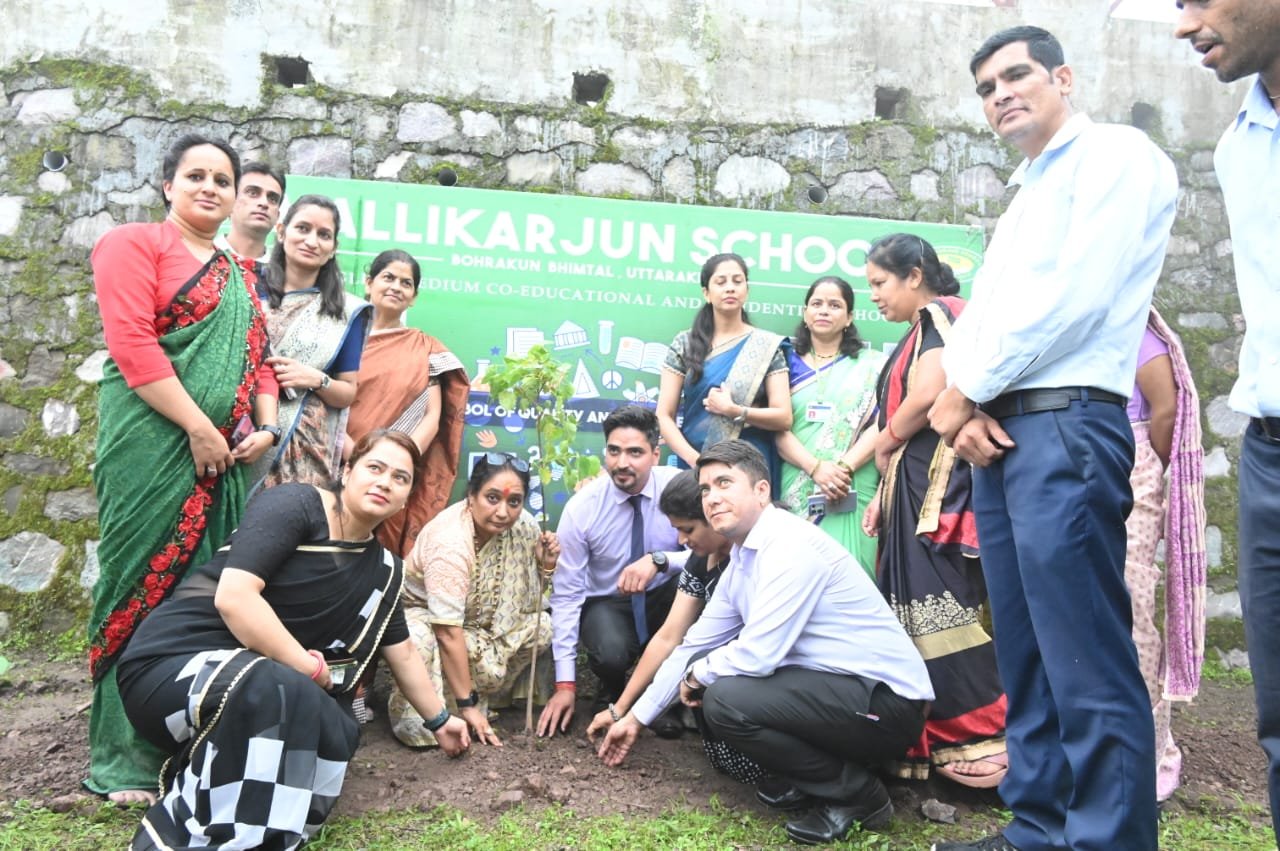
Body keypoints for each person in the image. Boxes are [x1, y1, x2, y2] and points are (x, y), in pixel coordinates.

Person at [927, 26, 1177, 851]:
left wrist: (963, 393)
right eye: (986, 87)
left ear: (1063, 76)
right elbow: (985, 316)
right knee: (1029, 656)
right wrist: (968, 410)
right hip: (1003, 431)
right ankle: (1038, 827)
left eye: (1016, 75)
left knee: (1086, 657)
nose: (1000, 94)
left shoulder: (1115, 154)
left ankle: (1107, 839)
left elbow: (1074, 294)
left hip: (1068, 422)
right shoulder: (1026, 190)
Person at [116, 430, 470, 849]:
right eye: (375, 468)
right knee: (281, 686)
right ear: (348, 469)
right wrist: (310, 668)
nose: (385, 482)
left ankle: (234, 791)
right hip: (174, 668)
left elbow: (404, 651)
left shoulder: (384, 570)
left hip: (269, 686)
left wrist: (441, 720)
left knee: (336, 723)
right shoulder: (296, 505)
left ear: (407, 495)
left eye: (400, 478)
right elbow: (234, 598)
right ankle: (229, 836)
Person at [597, 440, 932, 846]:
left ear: (761, 491)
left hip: (888, 704)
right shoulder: (743, 558)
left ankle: (859, 795)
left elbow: (759, 654)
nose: (712, 498)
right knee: (722, 688)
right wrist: (634, 718)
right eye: (705, 489)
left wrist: (696, 677)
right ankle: (816, 780)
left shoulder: (790, 545)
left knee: (726, 698)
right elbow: (689, 644)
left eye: (725, 483)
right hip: (843, 695)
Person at [86, 134, 280, 805]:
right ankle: (122, 759)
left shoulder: (239, 275)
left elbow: (260, 363)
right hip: (150, 445)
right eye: (195, 175)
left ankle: (185, 737)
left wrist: (264, 426)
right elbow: (132, 342)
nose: (209, 187)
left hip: (224, 459)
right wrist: (198, 426)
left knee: (198, 597)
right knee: (137, 584)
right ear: (167, 184)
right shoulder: (133, 244)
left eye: (221, 179)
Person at [1176, 1, 1280, 838]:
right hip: (1269, 456)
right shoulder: (1237, 147)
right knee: (1277, 723)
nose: (1185, 25)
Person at [859, 233, 1007, 790]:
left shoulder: (943, 314)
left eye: (879, 283)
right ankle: (936, 743)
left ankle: (986, 738)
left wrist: (884, 440)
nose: (873, 296)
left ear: (914, 275)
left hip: (938, 488)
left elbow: (930, 393)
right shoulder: (918, 327)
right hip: (912, 485)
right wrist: (882, 491)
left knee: (943, 609)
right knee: (915, 613)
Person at [585, 470, 765, 784]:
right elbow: (669, 638)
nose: (681, 541)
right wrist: (622, 710)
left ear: (713, 514)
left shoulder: (756, 557)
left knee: (714, 695)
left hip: (766, 673)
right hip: (723, 673)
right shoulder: (700, 560)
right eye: (676, 530)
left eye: (688, 529)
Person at [537, 405, 690, 738]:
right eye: (614, 451)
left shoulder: (678, 490)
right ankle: (612, 689)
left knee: (689, 583)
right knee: (610, 653)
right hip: (608, 603)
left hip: (663, 595)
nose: (622, 463)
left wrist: (661, 560)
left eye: (635, 452)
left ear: (655, 454)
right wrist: (565, 684)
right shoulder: (582, 509)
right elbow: (567, 594)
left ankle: (662, 696)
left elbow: (707, 553)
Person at [387, 452, 557, 748]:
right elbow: (447, 631)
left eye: (513, 502)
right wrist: (468, 705)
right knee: (417, 638)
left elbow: (532, 600)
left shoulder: (524, 527)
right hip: (429, 622)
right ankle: (440, 713)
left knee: (542, 628)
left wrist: (546, 565)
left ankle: (486, 699)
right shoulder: (450, 543)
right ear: (471, 496)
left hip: (480, 627)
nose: (503, 512)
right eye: (493, 498)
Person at [1123, 307, 1206, 804]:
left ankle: (1151, 754)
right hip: (1084, 455)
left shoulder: (1138, 333)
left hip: (1133, 459)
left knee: (1133, 603)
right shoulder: (1084, 323)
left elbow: (1165, 411)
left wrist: (1146, 464)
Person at [346, 249, 469, 557]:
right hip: (336, 461)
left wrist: (396, 462)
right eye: (388, 278)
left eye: (406, 283)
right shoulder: (340, 337)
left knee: (375, 557)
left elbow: (432, 414)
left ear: (413, 296)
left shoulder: (423, 348)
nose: (396, 287)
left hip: (392, 471)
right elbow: (322, 403)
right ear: (368, 283)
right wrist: (355, 457)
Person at [252, 194, 371, 490]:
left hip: (303, 441)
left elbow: (347, 392)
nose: (312, 241)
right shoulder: (247, 287)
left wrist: (316, 379)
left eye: (324, 235)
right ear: (281, 232)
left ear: (333, 248)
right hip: (241, 426)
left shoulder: (343, 312)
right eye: (302, 228)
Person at [656, 253, 792, 493]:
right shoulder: (685, 344)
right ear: (706, 293)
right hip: (694, 465)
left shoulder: (766, 347)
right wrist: (696, 461)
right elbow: (664, 415)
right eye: (721, 282)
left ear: (747, 290)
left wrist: (735, 411)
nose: (730, 288)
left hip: (749, 468)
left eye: (737, 281)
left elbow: (783, 417)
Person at [775, 276, 884, 574]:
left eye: (835, 305)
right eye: (817, 303)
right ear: (805, 312)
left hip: (853, 482)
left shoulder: (874, 364)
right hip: (797, 479)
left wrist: (843, 468)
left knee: (856, 577)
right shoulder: (782, 363)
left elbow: (884, 424)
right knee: (796, 575)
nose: (824, 310)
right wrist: (816, 468)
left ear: (849, 317)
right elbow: (777, 429)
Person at [214, 161, 284, 266]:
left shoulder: (281, 276)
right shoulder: (202, 257)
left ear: (277, 216)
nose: (264, 203)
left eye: (272, 199)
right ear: (231, 202)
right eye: (253, 193)